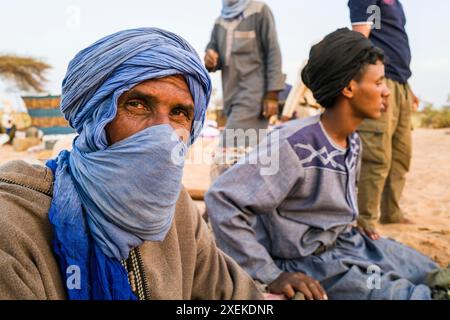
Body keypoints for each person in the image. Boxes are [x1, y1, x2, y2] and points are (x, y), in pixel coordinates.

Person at [0, 28, 262, 300]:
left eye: (179, 112)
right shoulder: (14, 224)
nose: (163, 134)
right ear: (96, 119)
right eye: (137, 105)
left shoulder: (177, 209)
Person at [205, 28, 439, 300]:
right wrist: (270, 274)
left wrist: (350, 221)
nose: (386, 92)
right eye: (378, 83)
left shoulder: (353, 140)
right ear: (349, 88)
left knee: (430, 272)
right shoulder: (293, 145)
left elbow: (334, 204)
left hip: (350, 244)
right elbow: (222, 199)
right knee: (407, 296)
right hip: (310, 262)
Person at [348, 0, 418, 229]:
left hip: (401, 84)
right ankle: (365, 221)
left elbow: (392, 41)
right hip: (381, 82)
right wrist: (373, 85)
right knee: (376, 157)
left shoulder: (396, 3)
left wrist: (408, 90)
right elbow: (359, 41)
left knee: (400, 156)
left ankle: (392, 213)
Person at [205, 0, 285, 168]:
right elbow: (212, 52)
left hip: (254, 96)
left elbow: (273, 52)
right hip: (230, 97)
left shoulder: (259, 11)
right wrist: (210, 58)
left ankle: (221, 193)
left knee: (226, 156)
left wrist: (272, 95)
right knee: (246, 158)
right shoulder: (220, 21)